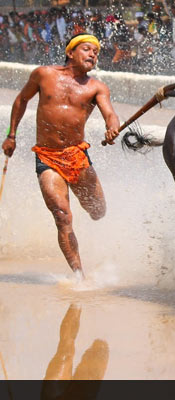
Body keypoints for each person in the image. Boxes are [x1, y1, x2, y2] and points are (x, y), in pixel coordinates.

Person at [1, 33, 120, 278]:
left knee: (98, 212)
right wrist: (11, 135)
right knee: (62, 215)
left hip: (77, 155)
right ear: (70, 53)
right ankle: (79, 276)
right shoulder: (43, 74)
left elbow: (110, 113)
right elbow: (21, 100)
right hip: (47, 156)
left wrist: (112, 127)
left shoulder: (97, 87)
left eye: (95, 52)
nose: (92, 55)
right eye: (87, 49)